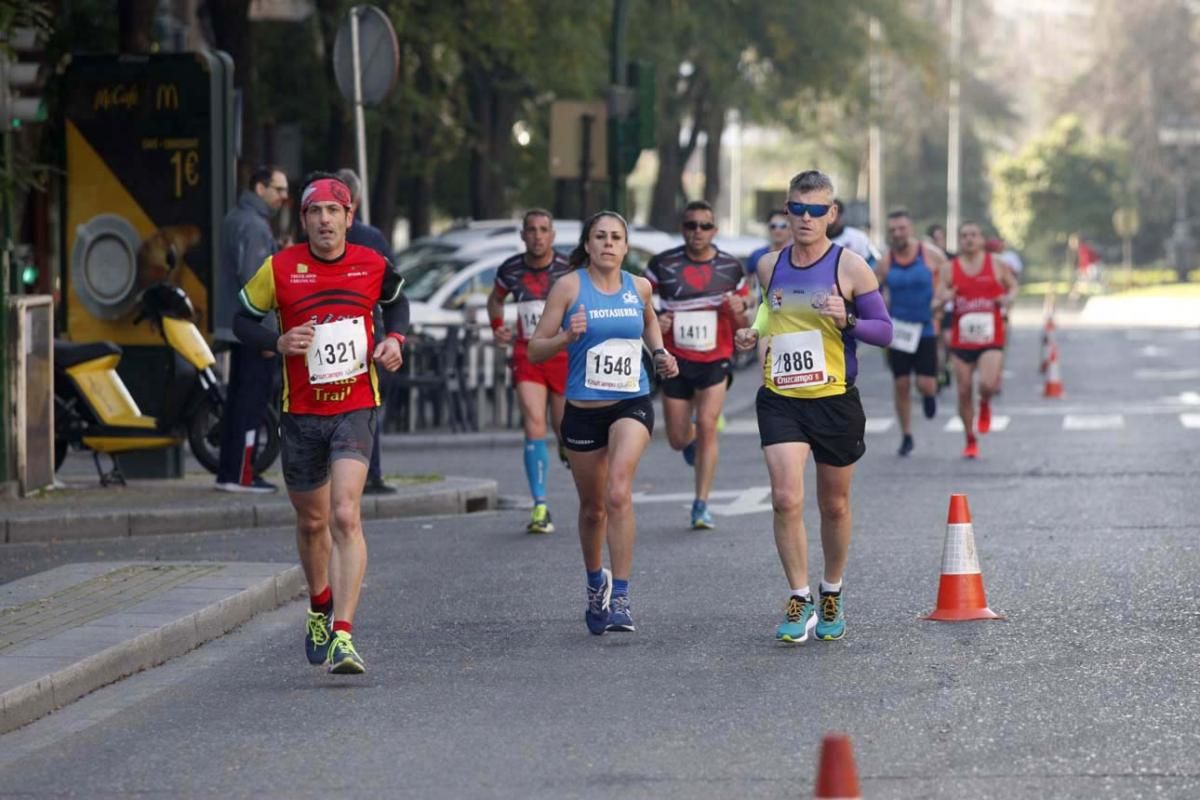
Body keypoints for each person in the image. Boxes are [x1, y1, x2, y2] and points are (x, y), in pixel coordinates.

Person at [234, 173, 409, 674]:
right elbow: (242, 317)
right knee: (312, 522)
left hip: (355, 407)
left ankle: (344, 636)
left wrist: (395, 340)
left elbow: (399, 303)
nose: (325, 220)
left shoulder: (371, 264)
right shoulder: (281, 267)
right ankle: (319, 604)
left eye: (334, 211)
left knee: (345, 514)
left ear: (349, 218)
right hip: (302, 413)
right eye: (315, 212)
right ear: (304, 219)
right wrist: (275, 341)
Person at [734, 170, 892, 644]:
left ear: (832, 214)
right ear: (787, 211)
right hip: (781, 396)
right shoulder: (769, 264)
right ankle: (799, 596)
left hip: (834, 398)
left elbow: (883, 331)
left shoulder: (851, 267)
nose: (805, 219)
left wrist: (849, 319)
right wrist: (754, 331)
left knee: (835, 505)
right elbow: (769, 308)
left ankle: (832, 590)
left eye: (816, 210)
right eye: (797, 209)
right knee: (785, 497)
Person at [528, 211, 678, 635]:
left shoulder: (640, 287)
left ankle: (624, 596)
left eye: (616, 237)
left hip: (632, 401)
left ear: (626, 247)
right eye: (600, 237)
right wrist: (565, 338)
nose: (609, 243)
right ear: (588, 245)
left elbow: (649, 320)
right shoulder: (569, 287)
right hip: (582, 412)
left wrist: (661, 352)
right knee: (593, 509)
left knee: (617, 491)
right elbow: (536, 349)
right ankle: (597, 582)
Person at [647, 200, 749, 529]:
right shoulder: (662, 265)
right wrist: (655, 323)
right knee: (677, 438)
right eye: (691, 225)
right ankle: (688, 442)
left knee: (708, 424)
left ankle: (701, 504)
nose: (697, 232)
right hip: (675, 361)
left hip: (715, 358)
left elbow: (744, 316)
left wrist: (738, 310)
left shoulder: (731, 267)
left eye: (705, 226)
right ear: (683, 229)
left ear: (714, 230)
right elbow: (641, 305)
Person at [487, 209, 574, 534]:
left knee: (563, 425)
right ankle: (540, 505)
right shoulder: (510, 269)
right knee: (534, 423)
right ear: (523, 235)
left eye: (544, 230)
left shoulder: (569, 269)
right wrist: (498, 327)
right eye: (532, 230)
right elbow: (495, 300)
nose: (538, 236)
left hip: (564, 353)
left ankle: (566, 443)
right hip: (528, 354)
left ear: (552, 235)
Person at [214, 166, 289, 493]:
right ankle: (242, 474)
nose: (284, 196)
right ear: (260, 188)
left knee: (237, 401)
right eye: (279, 189)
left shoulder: (236, 218)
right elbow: (257, 284)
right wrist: (270, 336)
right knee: (251, 403)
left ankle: (230, 472)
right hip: (253, 331)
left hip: (236, 325)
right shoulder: (255, 226)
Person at [335, 168, 396, 495]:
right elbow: (394, 290)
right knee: (366, 403)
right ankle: (370, 473)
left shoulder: (318, 237)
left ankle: (340, 472)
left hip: (333, 332)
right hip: (365, 332)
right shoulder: (372, 238)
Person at [937, 221, 1018, 459]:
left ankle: (985, 403)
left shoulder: (997, 264)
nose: (968, 239)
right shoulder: (949, 268)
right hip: (962, 340)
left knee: (987, 384)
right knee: (963, 391)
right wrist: (946, 297)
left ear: (981, 239)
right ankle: (970, 438)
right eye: (964, 236)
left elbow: (1013, 287)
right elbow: (939, 295)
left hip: (990, 336)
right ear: (959, 241)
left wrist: (1008, 299)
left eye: (973, 235)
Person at [877, 209, 947, 456]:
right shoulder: (886, 261)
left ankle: (929, 395)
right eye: (893, 230)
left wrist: (941, 300)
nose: (897, 234)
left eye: (901, 229)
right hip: (899, 330)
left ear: (911, 229)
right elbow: (875, 291)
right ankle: (906, 435)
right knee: (902, 383)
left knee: (925, 383)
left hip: (926, 327)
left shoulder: (929, 254)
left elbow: (949, 278)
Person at [828, 199, 880, 267]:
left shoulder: (858, 237)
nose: (827, 217)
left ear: (840, 215)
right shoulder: (814, 239)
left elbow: (872, 263)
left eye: (832, 213)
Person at [746, 209, 792, 279]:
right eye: (773, 226)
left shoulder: (798, 257)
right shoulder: (757, 256)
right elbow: (749, 284)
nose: (778, 230)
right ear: (768, 228)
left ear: (790, 229)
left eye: (783, 226)